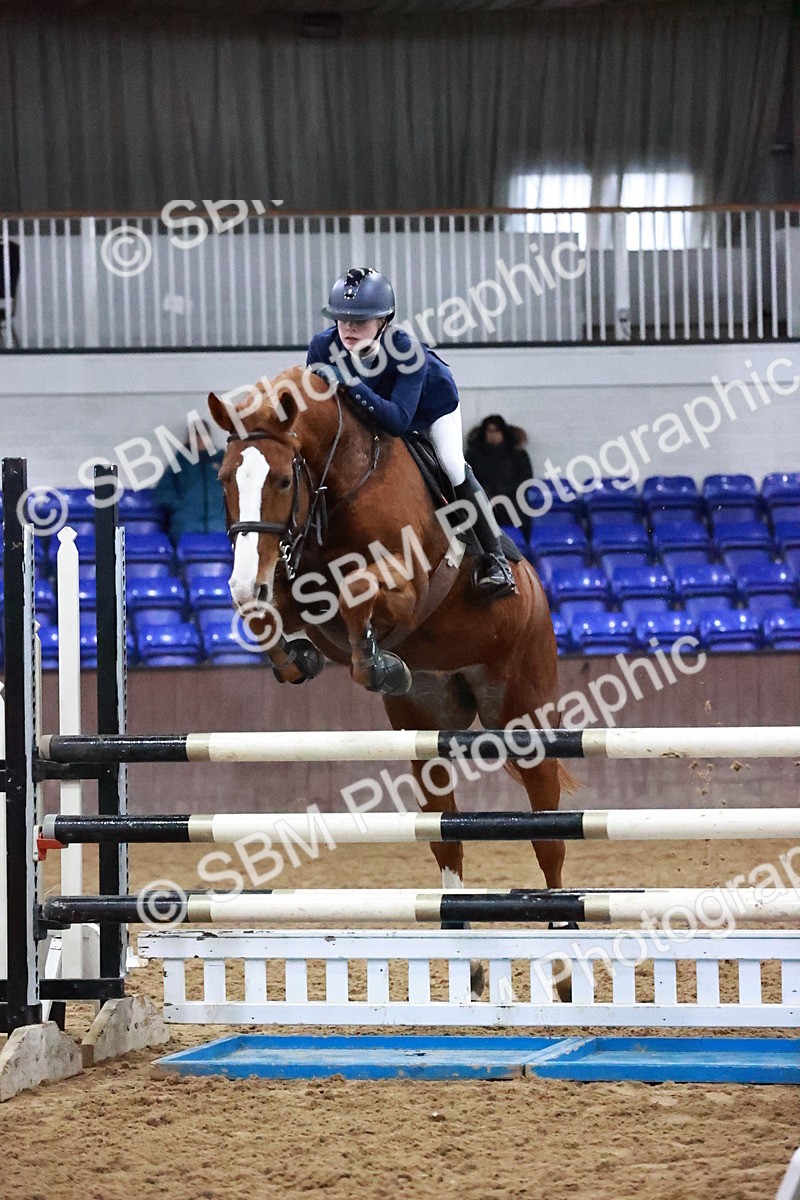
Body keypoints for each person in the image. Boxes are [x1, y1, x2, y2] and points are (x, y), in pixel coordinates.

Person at [306, 267, 516, 599]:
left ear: (384, 321)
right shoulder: (322, 346)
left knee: (451, 465)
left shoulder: (408, 351)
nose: (348, 328)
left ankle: (497, 561)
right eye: (342, 319)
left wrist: (349, 382)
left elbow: (398, 422)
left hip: (428, 409)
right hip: (374, 410)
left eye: (359, 321)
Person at [152, 423, 226, 538]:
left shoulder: (223, 460)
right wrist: (182, 506)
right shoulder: (181, 461)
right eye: (196, 436)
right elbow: (162, 493)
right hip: (186, 526)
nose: (199, 439)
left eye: (203, 435)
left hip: (220, 525)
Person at [466, 415, 534, 541]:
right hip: (483, 504)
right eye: (489, 431)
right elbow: (468, 480)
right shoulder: (473, 456)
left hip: (513, 505)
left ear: (503, 432)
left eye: (496, 431)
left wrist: (502, 492)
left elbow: (526, 480)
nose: (493, 435)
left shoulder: (518, 454)